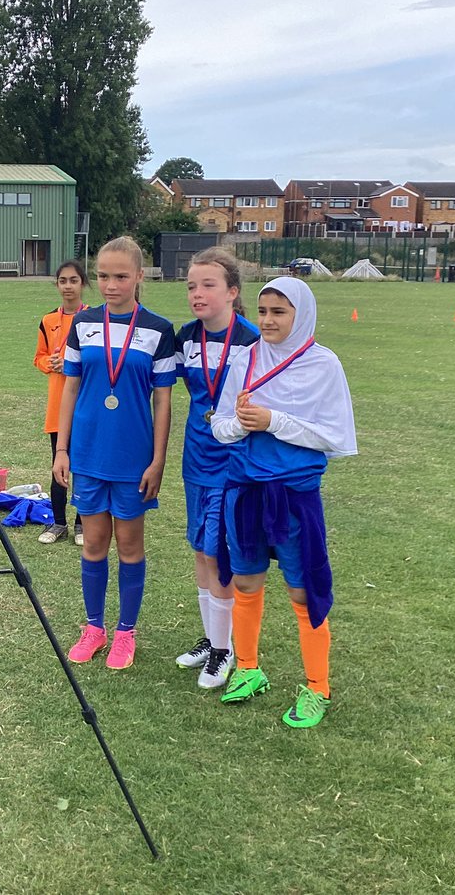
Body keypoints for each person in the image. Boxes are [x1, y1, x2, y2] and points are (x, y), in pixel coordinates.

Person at [210, 276, 357, 728]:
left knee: (302, 588)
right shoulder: (244, 358)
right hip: (245, 489)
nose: (268, 320)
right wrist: (240, 423)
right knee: (247, 582)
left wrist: (274, 420)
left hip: (294, 495)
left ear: (302, 314)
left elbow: (334, 437)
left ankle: (318, 687)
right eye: (263, 311)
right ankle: (250, 670)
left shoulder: (323, 364)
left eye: (280, 312)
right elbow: (219, 426)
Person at [53, 237, 175, 670]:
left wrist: (158, 460)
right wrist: (62, 449)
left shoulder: (159, 330)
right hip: (87, 453)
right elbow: (70, 387)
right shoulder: (82, 324)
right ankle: (94, 628)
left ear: (140, 276)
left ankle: (125, 632)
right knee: (93, 545)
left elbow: (163, 400)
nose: (110, 284)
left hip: (132, 457)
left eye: (121, 276)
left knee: (128, 545)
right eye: (103, 276)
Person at [173, 248, 261, 689]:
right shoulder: (185, 336)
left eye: (208, 285)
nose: (197, 293)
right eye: (191, 285)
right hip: (195, 456)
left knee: (217, 549)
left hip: (233, 460)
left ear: (232, 292)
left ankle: (226, 650)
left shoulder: (250, 339)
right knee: (198, 547)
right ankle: (212, 638)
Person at [33, 260, 88, 546]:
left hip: (85, 405)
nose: (68, 286)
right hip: (58, 405)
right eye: (63, 280)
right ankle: (58, 523)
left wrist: (71, 363)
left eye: (74, 280)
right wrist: (49, 363)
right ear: (57, 284)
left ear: (83, 284)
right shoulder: (47, 320)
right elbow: (39, 357)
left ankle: (81, 524)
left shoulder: (92, 318)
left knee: (83, 467)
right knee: (59, 463)